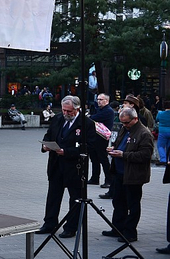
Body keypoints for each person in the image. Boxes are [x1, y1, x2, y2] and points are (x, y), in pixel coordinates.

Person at [36, 95, 94, 238]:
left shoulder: (87, 123)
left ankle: (71, 227)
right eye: (64, 110)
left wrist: (67, 152)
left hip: (75, 167)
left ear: (77, 109)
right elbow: (49, 135)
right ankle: (49, 223)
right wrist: (45, 146)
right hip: (56, 164)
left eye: (69, 111)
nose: (66, 114)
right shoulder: (57, 119)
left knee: (75, 197)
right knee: (53, 196)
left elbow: (89, 147)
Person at [102, 107, 153, 242]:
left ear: (135, 119)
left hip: (133, 175)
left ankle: (130, 232)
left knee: (132, 204)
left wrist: (123, 154)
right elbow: (120, 144)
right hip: (119, 172)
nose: (124, 125)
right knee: (118, 201)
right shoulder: (125, 129)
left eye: (126, 122)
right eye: (122, 123)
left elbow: (145, 155)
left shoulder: (144, 133)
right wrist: (113, 148)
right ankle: (117, 228)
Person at [89, 93, 114, 187]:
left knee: (103, 159)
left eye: (101, 99)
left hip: (102, 138)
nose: (98, 101)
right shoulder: (99, 109)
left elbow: (92, 118)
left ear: (106, 101)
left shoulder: (108, 111)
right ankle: (95, 178)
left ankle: (109, 179)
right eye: (98, 99)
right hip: (95, 137)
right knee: (94, 158)